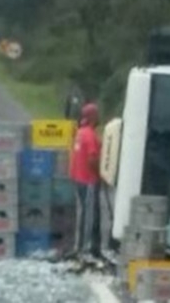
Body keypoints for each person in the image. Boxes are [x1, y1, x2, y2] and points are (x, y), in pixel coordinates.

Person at [70, 102, 103, 259]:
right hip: (88, 179)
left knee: (81, 212)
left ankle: (80, 245)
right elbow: (92, 159)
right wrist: (99, 175)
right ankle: (85, 248)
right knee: (88, 214)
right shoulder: (89, 135)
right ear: (92, 117)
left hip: (77, 178)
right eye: (97, 114)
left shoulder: (80, 132)